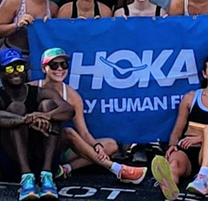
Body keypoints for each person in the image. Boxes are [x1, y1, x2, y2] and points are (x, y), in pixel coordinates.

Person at [38, 47, 146, 184]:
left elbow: (83, 131)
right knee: (68, 131)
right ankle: (117, 169)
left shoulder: (73, 96)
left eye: (63, 64)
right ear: (43, 69)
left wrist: (96, 146)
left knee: (110, 145)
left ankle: (64, 169)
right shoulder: (34, 87)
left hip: (59, 148)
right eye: (54, 65)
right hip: (38, 146)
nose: (59, 69)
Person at [0, 46, 74, 201]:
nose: (16, 72)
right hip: (13, 163)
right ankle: (27, 178)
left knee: (49, 106)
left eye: (19, 67)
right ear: (0, 72)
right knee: (16, 108)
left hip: (43, 158)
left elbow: (68, 110)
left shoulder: (41, 91)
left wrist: (46, 116)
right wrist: (26, 120)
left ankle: (47, 176)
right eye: (10, 68)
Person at [152, 54, 208, 199]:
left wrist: (199, 139)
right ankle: (169, 185)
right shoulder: (190, 98)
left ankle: (203, 178)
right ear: (205, 74)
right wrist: (172, 145)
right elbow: (177, 130)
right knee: (174, 165)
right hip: (186, 150)